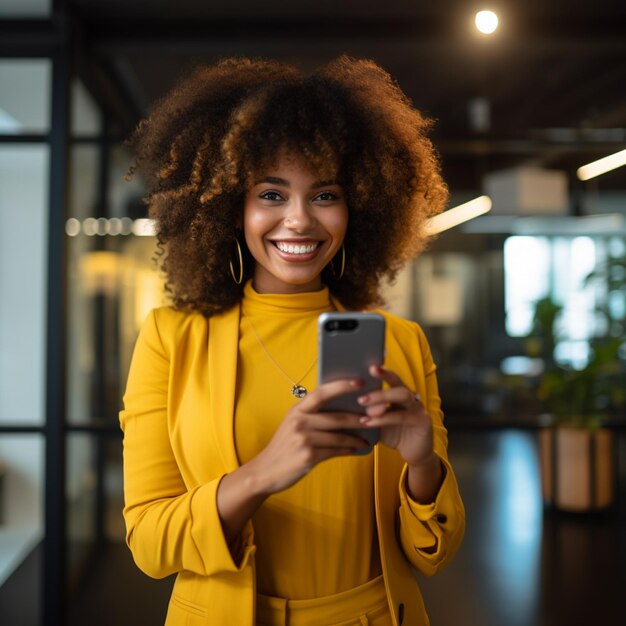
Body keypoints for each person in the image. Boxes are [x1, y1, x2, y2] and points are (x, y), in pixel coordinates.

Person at [120, 55, 465, 626]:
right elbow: (150, 544)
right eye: (273, 195)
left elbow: (434, 555)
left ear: (358, 208)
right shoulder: (169, 339)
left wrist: (423, 463)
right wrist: (264, 473)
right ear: (232, 207)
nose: (300, 220)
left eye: (325, 195)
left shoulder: (402, 344)